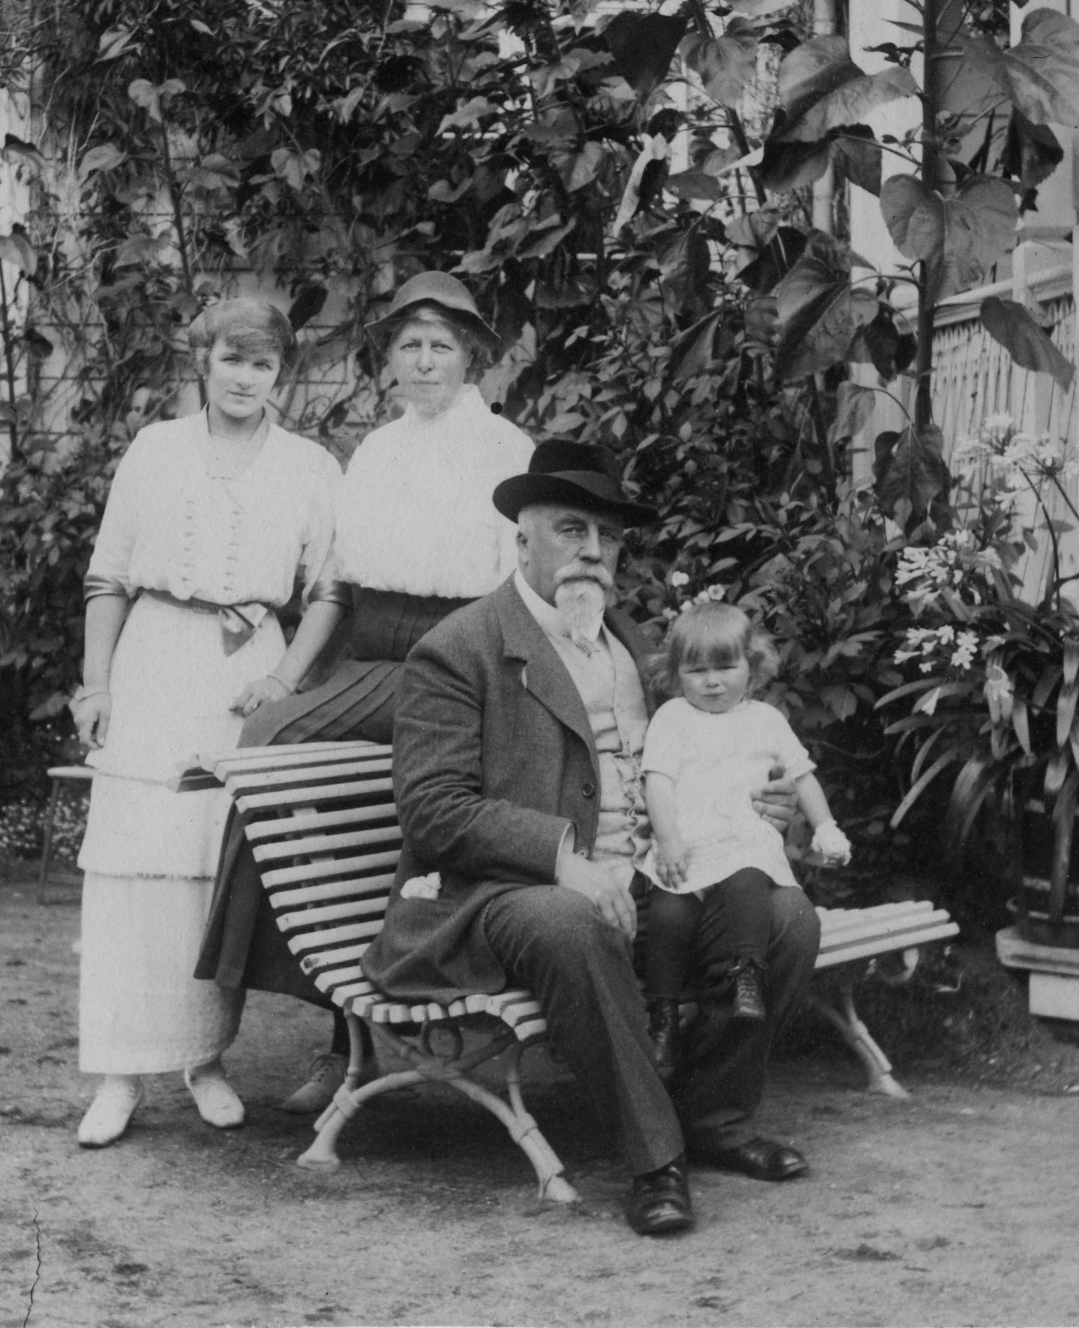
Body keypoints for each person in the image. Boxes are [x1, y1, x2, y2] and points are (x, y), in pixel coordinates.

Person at [360, 439, 821, 1237]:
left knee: (787, 918)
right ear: (523, 540)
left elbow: (691, 763)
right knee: (576, 922)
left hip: (648, 875)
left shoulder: (634, 646)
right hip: (500, 892)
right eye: (572, 530)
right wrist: (564, 860)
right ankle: (655, 1160)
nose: (594, 553)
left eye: (608, 538)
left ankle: (714, 1113)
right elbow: (433, 811)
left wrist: (760, 805)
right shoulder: (461, 648)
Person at [197, 272, 532, 1116]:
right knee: (273, 742)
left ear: (473, 358)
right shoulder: (377, 451)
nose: (423, 362)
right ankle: (334, 1025)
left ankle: (358, 1023)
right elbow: (340, 587)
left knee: (338, 781)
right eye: (408, 345)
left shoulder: (505, 451)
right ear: (389, 358)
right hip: (370, 657)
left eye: (441, 346)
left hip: (455, 662)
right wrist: (286, 675)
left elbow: (523, 591)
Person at [67, 298, 343, 1149]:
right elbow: (108, 577)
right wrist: (96, 685)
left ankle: (204, 1062)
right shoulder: (155, 450)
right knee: (129, 868)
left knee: (207, 873)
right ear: (202, 361)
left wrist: (282, 676)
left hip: (241, 674)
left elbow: (331, 591)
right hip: (154, 656)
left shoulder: (309, 467)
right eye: (231, 359)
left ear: (280, 374)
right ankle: (117, 1075)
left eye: (262, 364)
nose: (244, 378)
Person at [639, 600, 850, 1080]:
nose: (713, 681)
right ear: (676, 675)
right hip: (688, 840)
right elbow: (659, 782)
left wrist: (826, 827)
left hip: (740, 836)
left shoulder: (765, 720)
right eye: (697, 671)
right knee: (670, 915)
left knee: (748, 880)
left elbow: (802, 777)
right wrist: (668, 840)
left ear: (751, 669)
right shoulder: (673, 717)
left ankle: (748, 975)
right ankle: (664, 1017)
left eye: (725, 667)